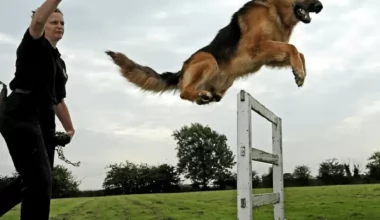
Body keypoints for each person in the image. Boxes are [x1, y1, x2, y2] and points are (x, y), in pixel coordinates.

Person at [0, 0, 75, 219]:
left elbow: (58, 100)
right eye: (54, 21)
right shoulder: (33, 43)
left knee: (36, 180)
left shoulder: (59, 63)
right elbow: (39, 19)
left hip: (44, 119)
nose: (59, 25)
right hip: (20, 114)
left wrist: (70, 130)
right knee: (39, 182)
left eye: (62, 22)